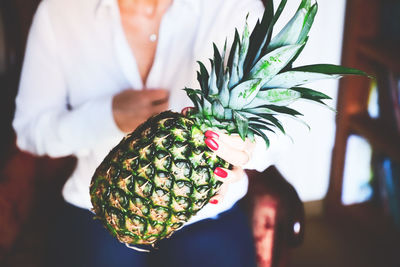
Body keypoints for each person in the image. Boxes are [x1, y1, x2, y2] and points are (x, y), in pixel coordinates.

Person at [12, 0, 284, 266]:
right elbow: (30, 130)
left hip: (207, 211)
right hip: (101, 207)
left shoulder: (232, 7)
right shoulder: (59, 11)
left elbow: (281, 126)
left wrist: (247, 149)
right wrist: (108, 115)